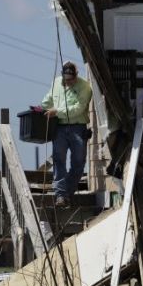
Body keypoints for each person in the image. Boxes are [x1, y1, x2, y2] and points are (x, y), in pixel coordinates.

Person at [41, 61, 92, 207]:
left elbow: (79, 109)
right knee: (59, 161)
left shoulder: (85, 87)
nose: (68, 82)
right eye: (65, 79)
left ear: (76, 75)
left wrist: (57, 112)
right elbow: (47, 101)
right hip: (60, 129)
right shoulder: (57, 83)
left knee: (78, 163)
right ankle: (60, 195)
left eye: (70, 79)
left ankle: (67, 193)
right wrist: (41, 109)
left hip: (78, 128)